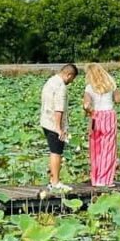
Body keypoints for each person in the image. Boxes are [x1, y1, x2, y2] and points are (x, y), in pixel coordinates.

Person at [40, 63, 78, 192]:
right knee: (57, 153)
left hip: (45, 121)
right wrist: (59, 128)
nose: (71, 82)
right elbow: (59, 109)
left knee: (53, 151)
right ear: (69, 75)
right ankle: (55, 182)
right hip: (54, 124)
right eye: (72, 79)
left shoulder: (50, 81)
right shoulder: (61, 86)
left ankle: (52, 180)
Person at [83, 64, 120, 187]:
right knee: (108, 149)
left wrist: (89, 111)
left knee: (95, 149)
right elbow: (118, 100)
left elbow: (86, 105)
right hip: (109, 116)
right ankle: (105, 180)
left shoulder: (89, 87)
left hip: (95, 116)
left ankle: (96, 179)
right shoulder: (111, 84)